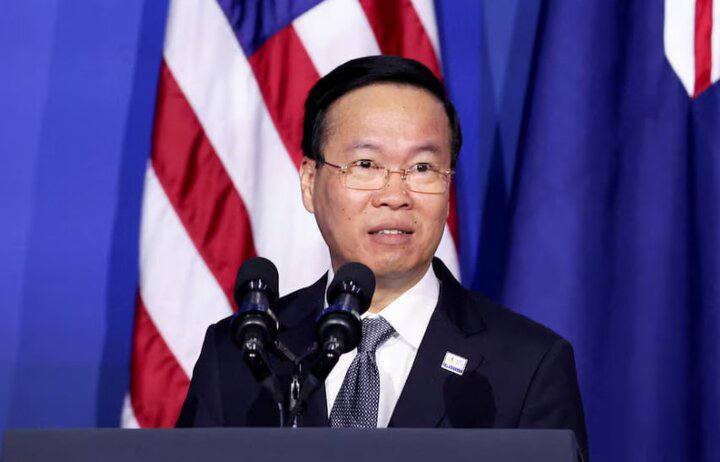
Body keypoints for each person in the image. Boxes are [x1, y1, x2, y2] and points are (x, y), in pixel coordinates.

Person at [177, 55, 588, 460]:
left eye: (422, 168)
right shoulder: (241, 352)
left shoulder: (529, 365)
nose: (395, 196)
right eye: (366, 164)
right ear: (309, 182)